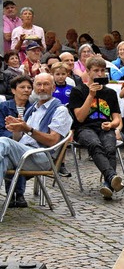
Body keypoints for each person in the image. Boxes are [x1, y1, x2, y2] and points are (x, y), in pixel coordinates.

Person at [0, 73, 73, 209]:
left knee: (3, 142)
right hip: (25, 154)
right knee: (1, 159)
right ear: (34, 88)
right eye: (38, 84)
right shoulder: (33, 108)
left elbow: (52, 141)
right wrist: (16, 129)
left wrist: (28, 129)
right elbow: (20, 139)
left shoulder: (60, 110)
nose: (42, 88)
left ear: (53, 87)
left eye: (46, 84)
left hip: (42, 157)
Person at [68, 56, 124, 199]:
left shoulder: (110, 93)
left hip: (105, 127)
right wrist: (91, 95)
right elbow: (79, 117)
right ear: (88, 71)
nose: (100, 74)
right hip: (84, 128)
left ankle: (108, 185)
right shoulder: (78, 91)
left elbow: (117, 118)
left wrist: (111, 124)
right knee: (95, 144)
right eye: (96, 71)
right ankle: (112, 176)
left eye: (102, 71)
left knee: (110, 148)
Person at [0, 76, 33, 207]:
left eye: (29, 88)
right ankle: (16, 193)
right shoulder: (4, 107)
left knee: (17, 150)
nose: (26, 90)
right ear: (13, 90)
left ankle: (16, 193)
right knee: (9, 149)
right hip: (7, 140)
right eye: (22, 87)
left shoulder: (34, 108)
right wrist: (13, 135)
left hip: (28, 144)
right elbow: (1, 128)